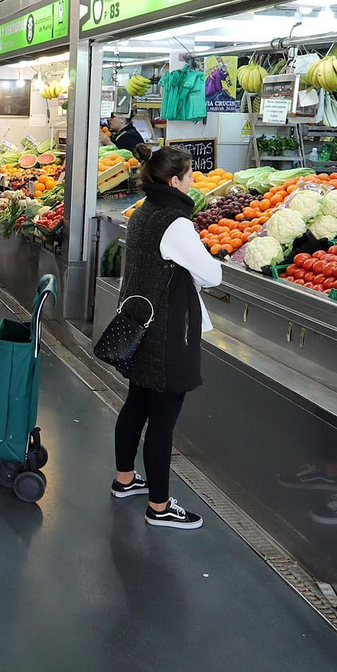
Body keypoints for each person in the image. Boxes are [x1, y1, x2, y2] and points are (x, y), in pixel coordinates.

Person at [110, 143, 223, 530]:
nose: (194, 181)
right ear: (175, 181)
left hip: (139, 323)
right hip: (167, 333)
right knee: (162, 420)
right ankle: (159, 506)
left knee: (136, 405)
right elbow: (212, 275)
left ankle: (125, 480)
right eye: (190, 175)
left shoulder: (143, 212)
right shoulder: (176, 222)